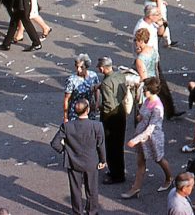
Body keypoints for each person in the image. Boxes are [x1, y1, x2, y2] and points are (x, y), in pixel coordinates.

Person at [50, 98, 107, 215]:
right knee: (92, 189)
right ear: (88, 110)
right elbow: (100, 146)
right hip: (91, 162)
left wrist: (65, 150)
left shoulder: (67, 126)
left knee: (75, 189)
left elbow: (55, 143)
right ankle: (92, 211)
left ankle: (77, 212)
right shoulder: (97, 126)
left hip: (73, 162)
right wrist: (103, 160)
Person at [125, 77, 174, 199]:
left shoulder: (157, 108)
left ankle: (169, 178)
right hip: (142, 133)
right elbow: (142, 115)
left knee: (159, 159)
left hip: (153, 138)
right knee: (140, 162)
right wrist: (140, 118)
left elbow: (150, 129)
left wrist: (135, 140)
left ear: (151, 90)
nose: (143, 91)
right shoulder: (147, 100)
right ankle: (135, 188)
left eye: (145, 89)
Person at [95, 56, 130, 185]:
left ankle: (116, 174)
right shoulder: (119, 75)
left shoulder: (105, 83)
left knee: (111, 146)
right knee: (119, 145)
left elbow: (108, 104)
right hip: (120, 110)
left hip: (111, 115)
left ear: (103, 68)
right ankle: (119, 170)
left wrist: (98, 106)